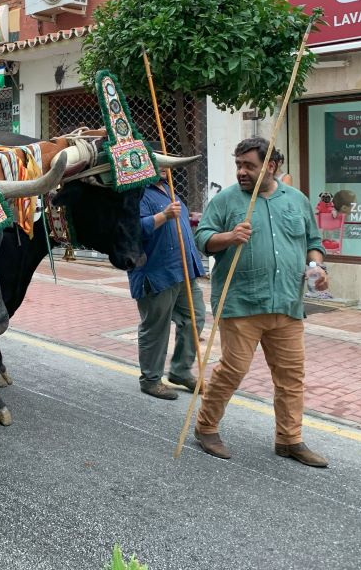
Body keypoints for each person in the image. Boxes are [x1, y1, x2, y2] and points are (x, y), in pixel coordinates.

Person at [193, 137, 330, 468]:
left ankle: (289, 439)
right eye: (238, 164)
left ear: (272, 166)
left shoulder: (296, 200)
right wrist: (229, 237)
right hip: (241, 302)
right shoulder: (226, 200)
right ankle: (206, 427)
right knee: (232, 371)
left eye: (249, 165)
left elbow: (313, 242)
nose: (241, 171)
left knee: (290, 376)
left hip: (287, 302)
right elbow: (202, 239)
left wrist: (317, 267)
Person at [129, 171, 206, 400]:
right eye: (159, 163)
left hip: (183, 269)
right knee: (156, 327)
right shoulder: (136, 192)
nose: (165, 168)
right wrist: (164, 215)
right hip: (156, 271)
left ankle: (181, 371)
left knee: (195, 318)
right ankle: (151, 379)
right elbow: (133, 229)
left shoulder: (169, 187)